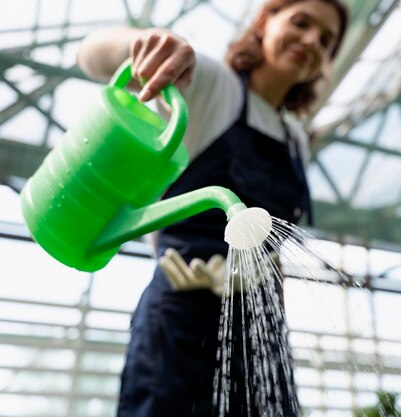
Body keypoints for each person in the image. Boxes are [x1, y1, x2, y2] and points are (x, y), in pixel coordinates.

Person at [76, 1, 348, 416]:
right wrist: (149, 45)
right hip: (182, 319)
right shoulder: (212, 85)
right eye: (301, 22)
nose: (311, 41)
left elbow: (273, 252)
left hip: (262, 333)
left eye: (326, 41)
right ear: (264, 21)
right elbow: (92, 55)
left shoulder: (296, 140)